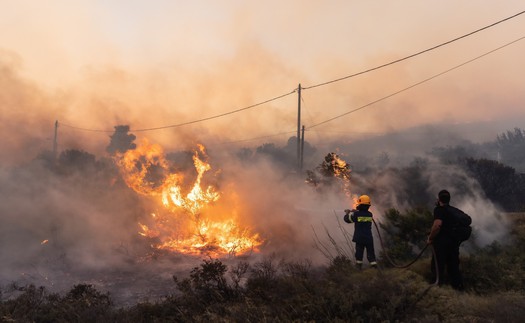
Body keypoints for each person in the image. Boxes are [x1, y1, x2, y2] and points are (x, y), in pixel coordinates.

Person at [427, 189, 465, 290]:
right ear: (449, 199)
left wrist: (430, 238)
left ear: (439, 199)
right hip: (454, 244)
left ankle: (436, 290)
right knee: (453, 268)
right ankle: (458, 289)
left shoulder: (439, 210)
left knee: (437, 267)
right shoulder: (453, 211)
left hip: (441, 244)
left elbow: (437, 225)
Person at [343, 195, 377, 269]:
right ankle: (374, 267)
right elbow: (362, 214)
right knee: (371, 254)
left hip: (360, 238)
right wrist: (356, 211)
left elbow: (347, 220)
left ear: (360, 205)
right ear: (368, 205)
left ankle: (358, 268)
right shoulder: (370, 214)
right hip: (369, 238)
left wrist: (347, 213)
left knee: (359, 254)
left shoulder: (356, 214)